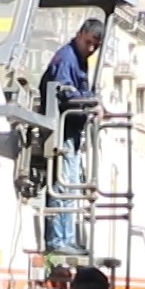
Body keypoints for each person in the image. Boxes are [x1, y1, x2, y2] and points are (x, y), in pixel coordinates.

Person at [41, 19, 105, 255]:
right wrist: (91, 103)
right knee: (64, 185)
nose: (90, 49)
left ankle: (66, 238)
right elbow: (66, 94)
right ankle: (59, 240)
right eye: (88, 42)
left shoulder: (80, 60)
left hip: (72, 130)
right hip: (61, 129)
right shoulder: (67, 58)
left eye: (95, 46)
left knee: (71, 187)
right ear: (79, 35)